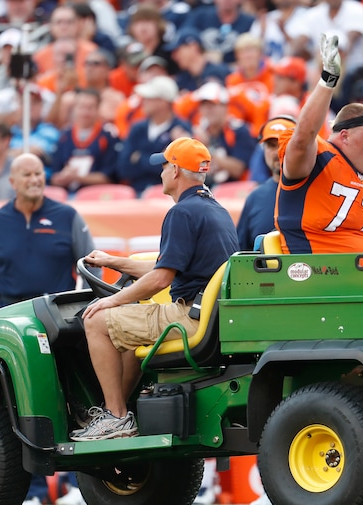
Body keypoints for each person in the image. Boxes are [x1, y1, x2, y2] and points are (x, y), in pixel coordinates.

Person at [71, 138, 239, 441]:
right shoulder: (214, 210)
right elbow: (165, 269)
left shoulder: (182, 213)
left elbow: (161, 280)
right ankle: (114, 410)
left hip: (188, 317)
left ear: (175, 170)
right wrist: (113, 261)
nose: (160, 172)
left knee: (95, 321)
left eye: (164, 165)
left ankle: (117, 417)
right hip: (206, 314)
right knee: (131, 328)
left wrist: (113, 301)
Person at [274, 33, 363, 255]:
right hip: (309, 276)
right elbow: (304, 136)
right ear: (345, 136)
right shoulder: (317, 158)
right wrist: (327, 82)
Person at [0, 152, 96, 319]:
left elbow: (91, 267)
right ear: (12, 182)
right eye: (27, 175)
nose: (34, 180)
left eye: (38, 173)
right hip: (8, 315)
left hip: (57, 314)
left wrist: (82, 312)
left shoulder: (68, 217)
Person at [117, 76, 192, 194]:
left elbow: (178, 172)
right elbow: (124, 168)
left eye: (149, 98)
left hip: (168, 195)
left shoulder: (181, 128)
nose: (144, 101)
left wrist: (139, 158)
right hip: (137, 193)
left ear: (164, 101)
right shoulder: (138, 128)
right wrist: (161, 161)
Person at [237, 116, 296, 250]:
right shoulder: (255, 198)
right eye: (271, 145)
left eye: (283, 143)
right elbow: (240, 255)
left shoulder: (317, 190)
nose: (277, 152)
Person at [50, 88, 120, 192]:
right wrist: (62, 177)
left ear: (98, 109)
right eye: (81, 107)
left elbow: (110, 177)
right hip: (67, 194)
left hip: (98, 195)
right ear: (74, 108)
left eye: (90, 108)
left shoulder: (109, 135)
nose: (85, 112)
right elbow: (53, 176)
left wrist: (78, 177)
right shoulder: (64, 135)